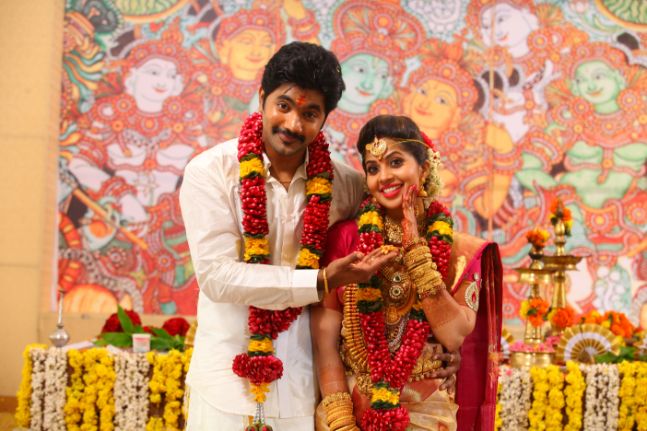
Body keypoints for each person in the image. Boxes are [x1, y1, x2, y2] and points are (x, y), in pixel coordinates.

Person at [180, 41, 410, 431]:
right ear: (262, 98)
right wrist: (320, 281)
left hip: (303, 387)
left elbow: (398, 249)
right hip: (224, 385)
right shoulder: (211, 172)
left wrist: (432, 347)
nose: (292, 124)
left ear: (324, 119)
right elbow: (216, 276)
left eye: (309, 113)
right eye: (283, 105)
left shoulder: (345, 185)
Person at [311, 115, 502, 431]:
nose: (384, 176)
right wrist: (341, 422)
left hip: (427, 412)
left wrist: (415, 248)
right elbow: (325, 342)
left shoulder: (459, 250)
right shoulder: (346, 239)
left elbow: (453, 334)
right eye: (373, 168)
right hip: (348, 410)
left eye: (395, 162)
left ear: (424, 169)